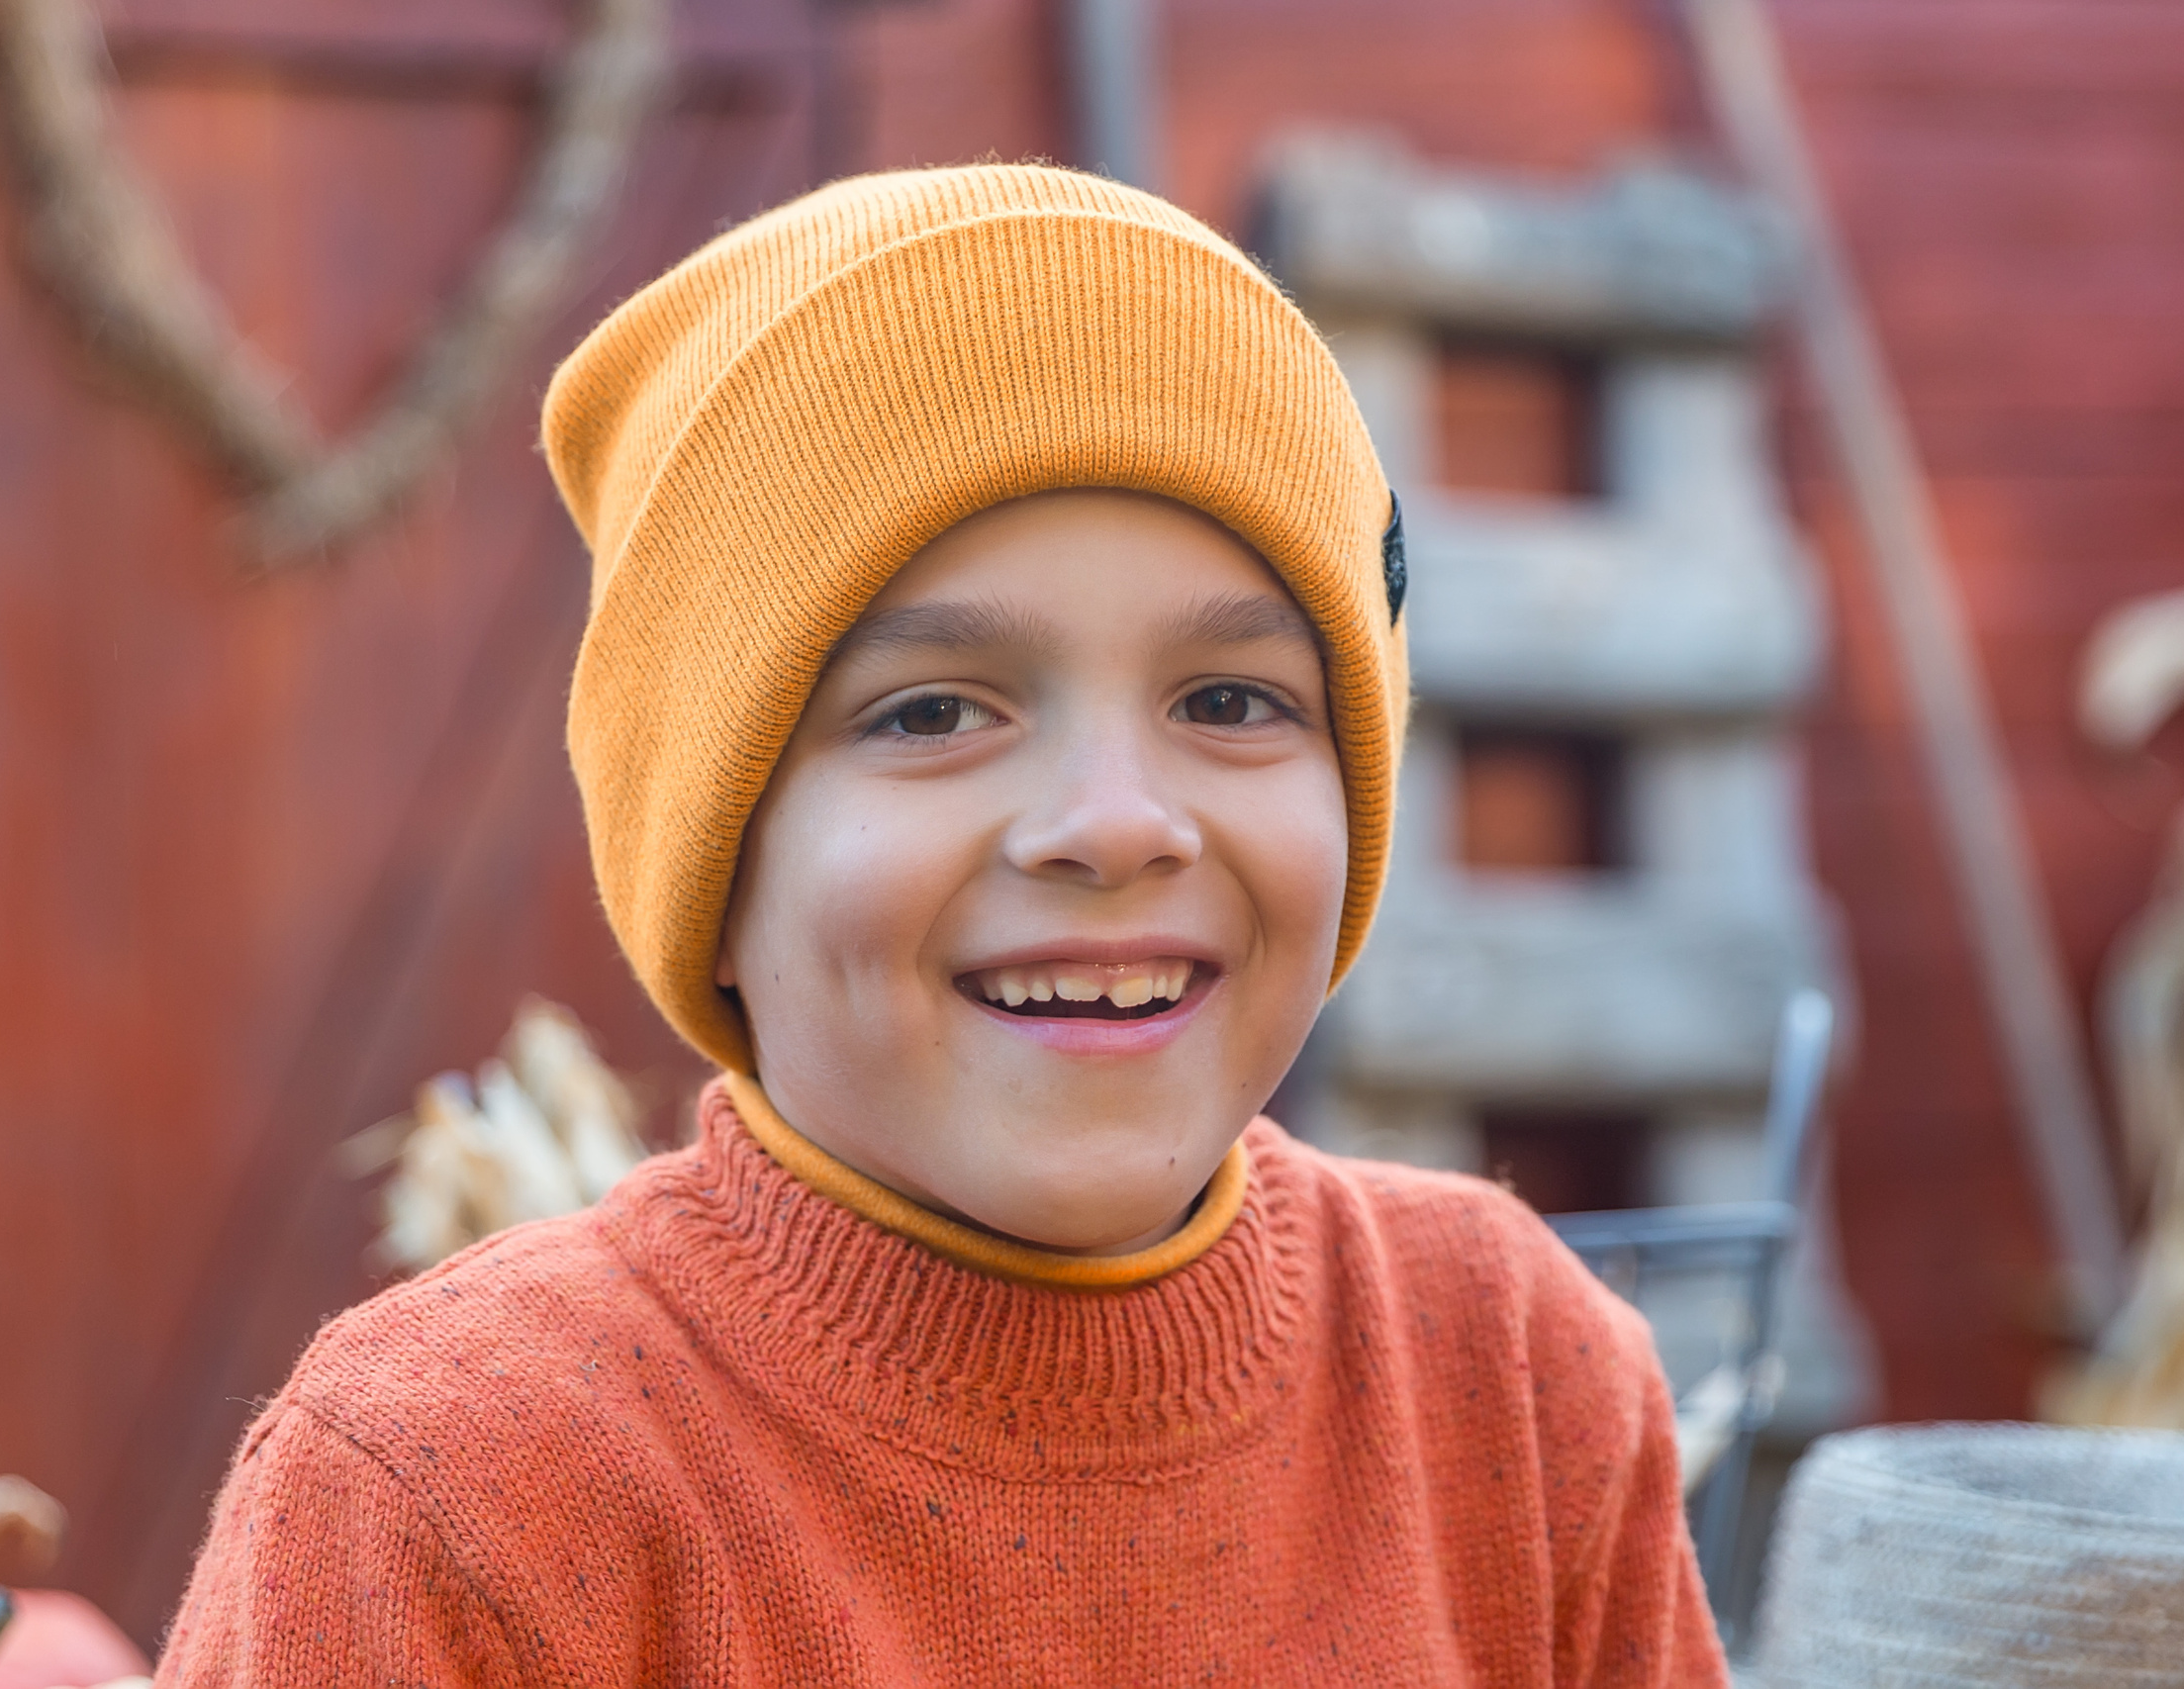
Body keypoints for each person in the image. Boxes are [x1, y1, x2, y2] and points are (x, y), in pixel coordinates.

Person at [154, 163, 1725, 1685]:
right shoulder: (447, 1494)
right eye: (933, 713)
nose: (1116, 822)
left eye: (1232, 699)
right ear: (714, 853)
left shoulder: (1516, 1379)